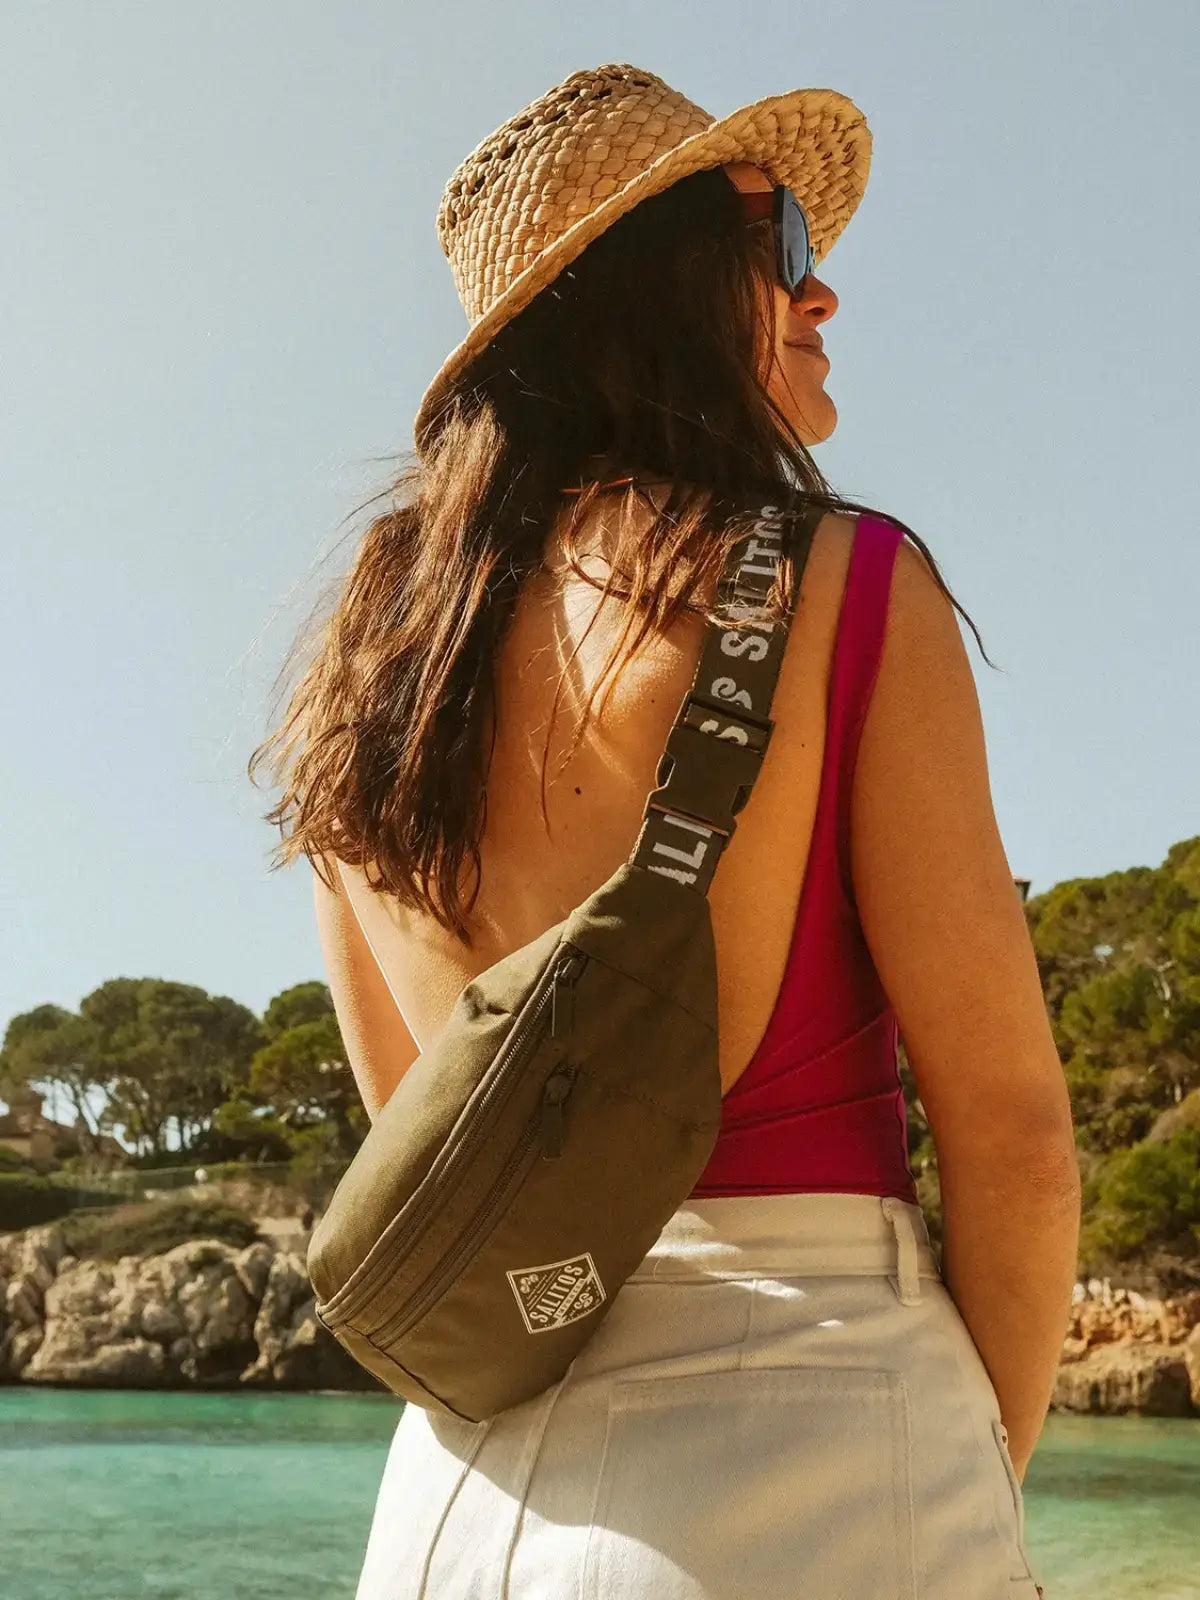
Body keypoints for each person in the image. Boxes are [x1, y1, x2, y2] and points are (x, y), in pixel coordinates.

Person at [252, 61, 1078, 1599]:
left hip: (459, 1496)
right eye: (786, 249)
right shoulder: (841, 584)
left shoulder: (367, 672)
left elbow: (426, 1129)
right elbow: (1018, 1143)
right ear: (669, 286)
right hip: (815, 1444)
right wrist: (966, 1481)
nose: (823, 297)